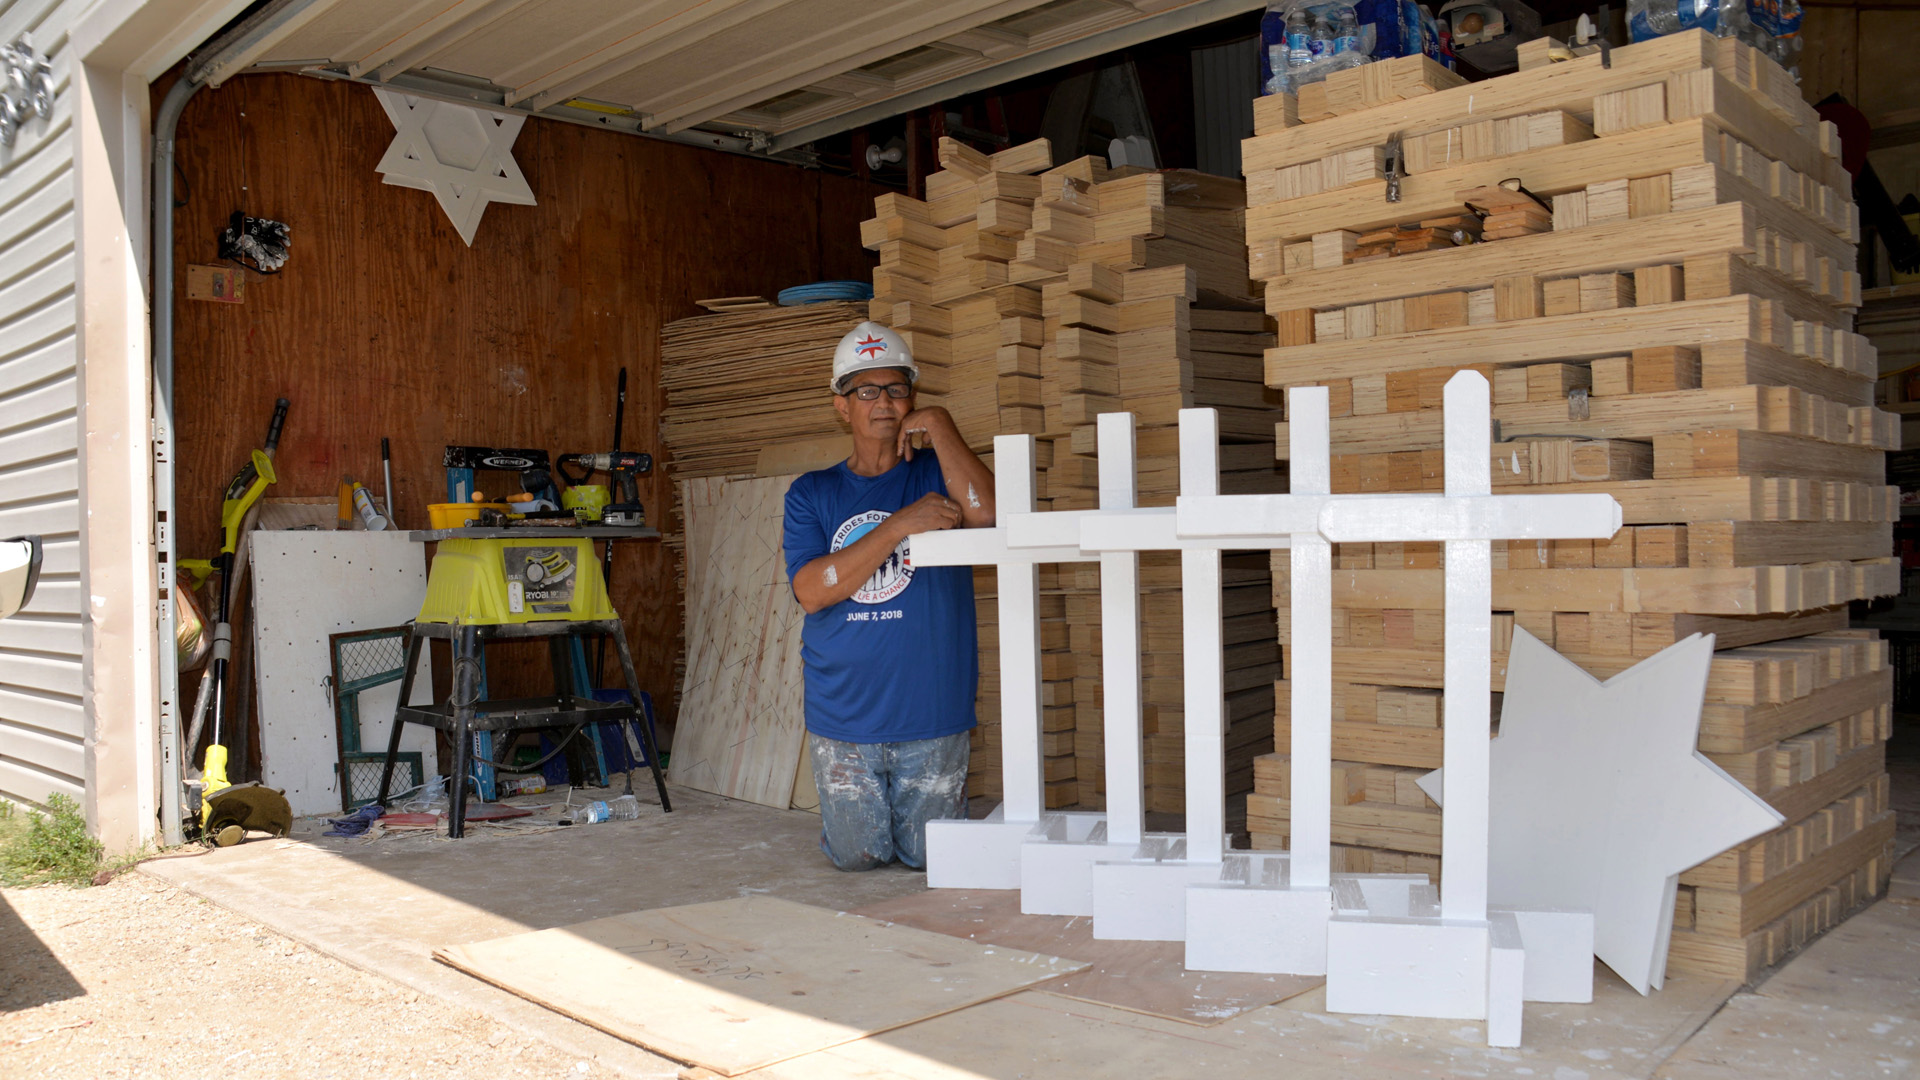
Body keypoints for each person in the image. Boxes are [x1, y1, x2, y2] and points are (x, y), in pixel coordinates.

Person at [782, 322, 996, 871]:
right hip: (845, 712)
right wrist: (900, 525)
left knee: (931, 858)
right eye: (866, 391)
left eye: (898, 389)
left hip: (930, 707)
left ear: (914, 398)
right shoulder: (812, 492)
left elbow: (989, 514)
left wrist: (942, 427)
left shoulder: (938, 474)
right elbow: (810, 591)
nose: (884, 402)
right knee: (857, 858)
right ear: (841, 406)